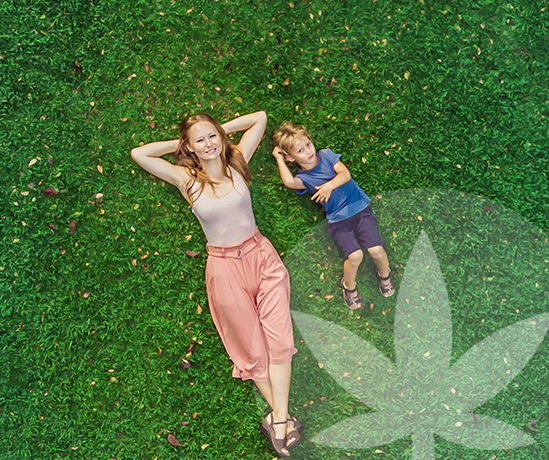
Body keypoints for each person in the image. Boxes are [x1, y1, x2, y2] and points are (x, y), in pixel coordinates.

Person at [130, 111, 301, 456]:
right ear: (189, 148)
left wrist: (221, 131)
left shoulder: (237, 161)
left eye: (212, 137)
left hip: (262, 259)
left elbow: (260, 119)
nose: (208, 144)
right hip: (224, 270)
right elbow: (140, 154)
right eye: (199, 141)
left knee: (280, 340)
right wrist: (181, 142)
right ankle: (282, 419)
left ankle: (278, 419)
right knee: (254, 351)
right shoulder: (186, 180)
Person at [269, 121, 395, 310]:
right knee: (355, 256)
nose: (308, 151)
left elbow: (345, 175)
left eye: (308, 145)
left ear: (311, 141)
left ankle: (384, 274)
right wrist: (279, 158)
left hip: (360, 210)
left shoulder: (326, 156)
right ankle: (349, 286)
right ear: (291, 158)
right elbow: (288, 181)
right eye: (300, 151)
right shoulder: (304, 179)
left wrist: (329, 186)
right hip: (338, 221)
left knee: (375, 249)